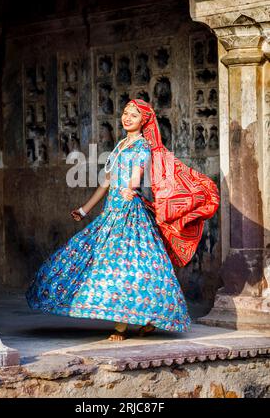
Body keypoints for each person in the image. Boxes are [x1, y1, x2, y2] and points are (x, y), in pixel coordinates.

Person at [26, 99, 220, 341]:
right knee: (94, 258)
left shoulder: (142, 146)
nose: (127, 118)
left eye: (134, 115)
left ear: (144, 121)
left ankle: (122, 326)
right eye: (126, 113)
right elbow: (107, 181)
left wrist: (131, 188)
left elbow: (137, 174)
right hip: (112, 211)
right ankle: (143, 320)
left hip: (130, 211)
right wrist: (85, 210)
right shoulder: (119, 146)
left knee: (127, 265)